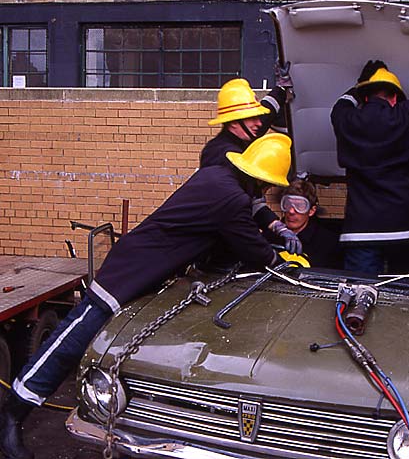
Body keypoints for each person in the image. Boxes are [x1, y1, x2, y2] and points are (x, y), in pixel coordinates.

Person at [0, 133, 293, 459]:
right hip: (130, 271)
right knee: (71, 341)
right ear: (256, 179)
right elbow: (251, 247)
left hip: (149, 277)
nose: (266, 193)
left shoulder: (217, 174)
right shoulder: (231, 198)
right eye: (266, 186)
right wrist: (280, 260)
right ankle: (13, 414)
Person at [330, 33, 409, 275]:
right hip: (403, 226)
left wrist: (359, 84)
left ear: (365, 97)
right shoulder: (408, 115)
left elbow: (340, 105)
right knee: (403, 301)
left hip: (360, 229)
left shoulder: (347, 119)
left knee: (360, 298)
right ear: (395, 98)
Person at [199, 75, 302, 255]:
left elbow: (267, 114)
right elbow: (238, 211)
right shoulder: (221, 155)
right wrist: (267, 255)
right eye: (253, 119)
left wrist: (280, 89)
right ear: (233, 122)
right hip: (218, 243)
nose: (259, 124)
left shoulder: (244, 137)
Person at [271, 179, 342, 268]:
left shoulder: (328, 243)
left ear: (311, 211)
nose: (291, 211)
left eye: (300, 206)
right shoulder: (269, 237)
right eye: (287, 204)